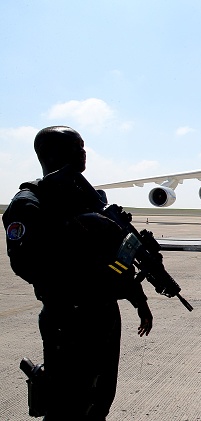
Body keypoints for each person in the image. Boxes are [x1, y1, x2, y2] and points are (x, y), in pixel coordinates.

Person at [2, 126, 153, 420]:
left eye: (83, 147)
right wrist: (77, 234)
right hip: (68, 317)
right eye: (75, 147)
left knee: (100, 398)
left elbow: (114, 259)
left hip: (104, 312)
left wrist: (139, 300)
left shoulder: (88, 198)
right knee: (67, 404)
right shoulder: (30, 202)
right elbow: (25, 263)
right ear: (49, 154)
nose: (83, 153)